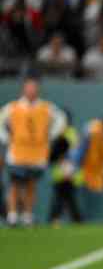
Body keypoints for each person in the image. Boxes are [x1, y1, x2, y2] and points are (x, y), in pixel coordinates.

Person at [0, 78, 66, 226]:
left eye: (34, 88)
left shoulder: (46, 107)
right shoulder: (13, 107)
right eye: (29, 88)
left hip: (37, 153)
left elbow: (61, 120)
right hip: (17, 151)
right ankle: (12, 215)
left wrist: (50, 135)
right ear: (23, 90)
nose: (31, 91)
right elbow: (1, 122)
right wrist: (6, 138)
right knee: (15, 183)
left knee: (31, 184)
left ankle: (28, 215)